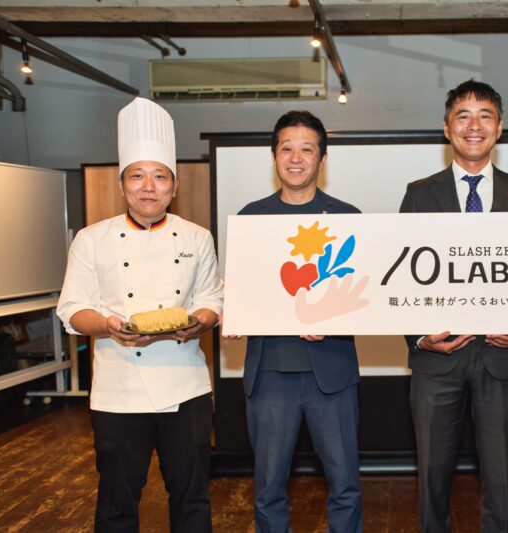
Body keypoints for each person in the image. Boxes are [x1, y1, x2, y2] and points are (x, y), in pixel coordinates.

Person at [56, 97, 223, 532]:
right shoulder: (91, 239)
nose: (149, 186)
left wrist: (200, 321)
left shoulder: (197, 237)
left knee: (191, 497)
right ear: (122, 184)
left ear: (174, 186)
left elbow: (213, 299)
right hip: (119, 389)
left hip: (185, 386)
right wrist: (109, 326)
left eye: (159, 176)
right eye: (137, 175)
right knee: (117, 501)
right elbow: (73, 309)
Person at [399, 80, 508, 533]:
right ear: (447, 128)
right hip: (437, 361)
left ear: (499, 127)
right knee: (432, 476)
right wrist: (419, 338)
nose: (474, 125)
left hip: (503, 358)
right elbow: (401, 271)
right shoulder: (419, 193)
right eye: (463, 115)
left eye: (485, 115)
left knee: (500, 478)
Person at [237, 110, 363, 533]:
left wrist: (334, 316)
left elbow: (365, 296)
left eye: (306, 149)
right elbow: (243, 289)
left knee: (345, 483)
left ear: (322, 159)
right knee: (268, 486)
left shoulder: (348, 218)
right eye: (286, 148)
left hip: (333, 373)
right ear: (274, 157)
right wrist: (234, 310)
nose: (296, 158)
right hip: (270, 374)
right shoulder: (250, 218)